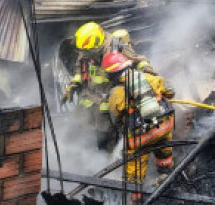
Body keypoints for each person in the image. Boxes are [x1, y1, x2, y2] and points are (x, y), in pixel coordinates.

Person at [62, 22, 156, 150]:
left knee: (106, 140)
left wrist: (147, 70)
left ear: (96, 45)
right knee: (79, 136)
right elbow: (80, 69)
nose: (83, 54)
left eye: (86, 52)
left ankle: (106, 159)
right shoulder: (86, 50)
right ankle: (81, 153)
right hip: (88, 102)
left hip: (107, 104)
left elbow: (138, 60)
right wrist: (74, 84)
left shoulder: (117, 47)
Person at [103, 52, 175, 204]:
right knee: (164, 151)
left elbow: (115, 120)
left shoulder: (116, 93)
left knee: (134, 168)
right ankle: (166, 176)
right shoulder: (149, 78)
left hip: (141, 137)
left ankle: (136, 202)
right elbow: (171, 91)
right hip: (165, 128)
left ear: (112, 74)